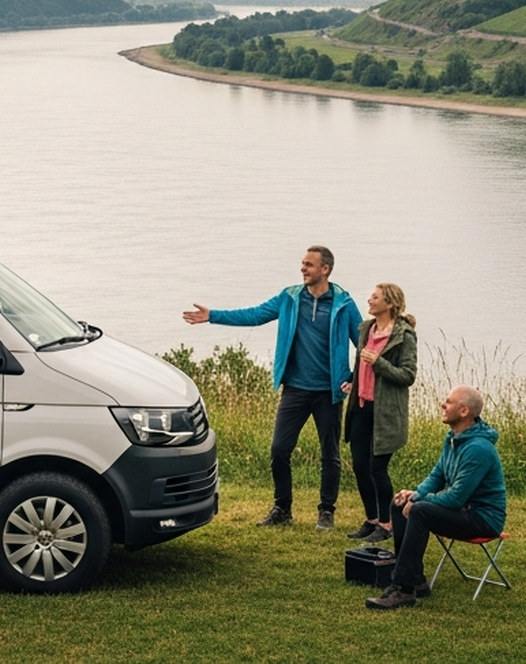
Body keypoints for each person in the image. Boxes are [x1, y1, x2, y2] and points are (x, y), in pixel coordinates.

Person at [184, 246, 361, 529]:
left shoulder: (343, 303)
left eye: (309, 265)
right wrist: (213, 315)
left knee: (330, 453)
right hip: (295, 389)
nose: (303, 268)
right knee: (279, 450)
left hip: (329, 392)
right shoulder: (289, 297)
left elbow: (362, 341)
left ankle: (326, 511)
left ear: (325, 269)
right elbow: (254, 315)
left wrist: (353, 377)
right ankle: (282, 508)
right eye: (302, 264)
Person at [365, 385, 507, 610]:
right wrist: (416, 494)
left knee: (419, 510)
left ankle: (403, 588)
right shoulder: (454, 438)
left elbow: (456, 498)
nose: (443, 404)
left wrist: (421, 502)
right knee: (400, 503)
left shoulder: (479, 449)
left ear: (463, 411)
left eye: (448, 402)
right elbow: (437, 475)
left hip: (482, 519)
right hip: (464, 512)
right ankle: (416, 580)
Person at [339, 283, 417, 543]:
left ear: (390, 303)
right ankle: (371, 520)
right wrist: (353, 380)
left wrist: (379, 363)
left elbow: (408, 375)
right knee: (360, 467)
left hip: (385, 414)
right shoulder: (366, 329)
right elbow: (361, 363)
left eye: (375, 297)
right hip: (361, 407)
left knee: (377, 469)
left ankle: (387, 524)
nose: (369, 300)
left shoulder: (404, 335)